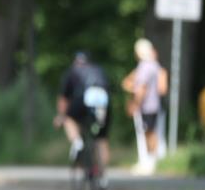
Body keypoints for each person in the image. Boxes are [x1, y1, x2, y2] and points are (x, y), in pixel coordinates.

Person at [54, 51, 111, 179]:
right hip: (103, 102)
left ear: (75, 62)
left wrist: (61, 116)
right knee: (101, 138)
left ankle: (77, 142)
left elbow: (64, 99)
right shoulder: (98, 70)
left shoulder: (72, 72)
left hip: (81, 100)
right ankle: (103, 177)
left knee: (68, 119)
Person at [122, 38, 164, 175]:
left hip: (147, 106)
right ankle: (149, 161)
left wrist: (135, 104)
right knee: (150, 133)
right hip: (154, 104)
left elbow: (142, 89)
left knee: (147, 134)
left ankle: (148, 162)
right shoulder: (154, 65)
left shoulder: (144, 67)